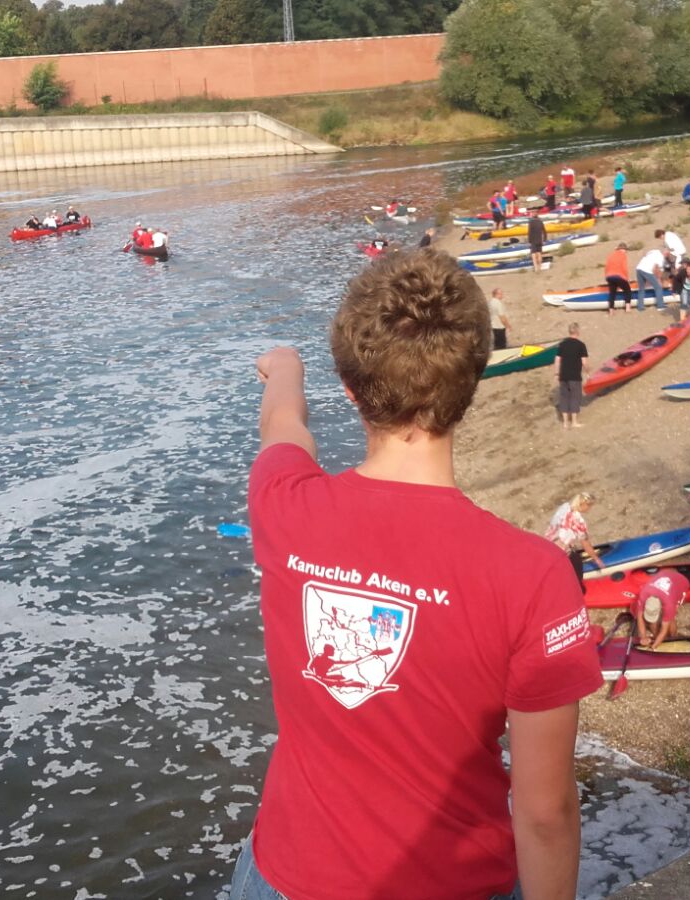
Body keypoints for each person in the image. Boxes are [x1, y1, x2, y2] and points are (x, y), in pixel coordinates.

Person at [237, 250, 601, 900]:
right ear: (472, 381)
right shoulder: (534, 576)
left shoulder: (281, 505)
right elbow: (546, 814)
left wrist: (285, 366)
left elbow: (282, 424)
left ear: (349, 387)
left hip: (285, 878)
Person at [546, 492, 605, 586]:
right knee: (577, 570)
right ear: (584, 505)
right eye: (589, 506)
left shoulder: (564, 507)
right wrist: (596, 559)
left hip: (549, 545)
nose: (589, 509)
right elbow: (585, 542)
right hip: (562, 551)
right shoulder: (578, 520)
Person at [635, 569, 687, 650]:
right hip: (663, 573)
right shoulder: (643, 594)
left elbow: (664, 629)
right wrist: (643, 637)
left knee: (670, 619)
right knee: (653, 622)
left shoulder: (669, 604)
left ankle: (674, 637)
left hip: (680, 582)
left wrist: (653, 648)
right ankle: (656, 635)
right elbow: (639, 617)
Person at [554, 323, 588, 429]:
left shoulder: (562, 344)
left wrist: (556, 373)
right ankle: (573, 422)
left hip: (563, 375)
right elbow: (584, 362)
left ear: (569, 331)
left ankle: (565, 423)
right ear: (578, 332)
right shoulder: (581, 345)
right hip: (574, 376)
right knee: (575, 397)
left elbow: (557, 360)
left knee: (564, 397)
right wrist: (588, 372)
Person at [669, 258, 690, 323]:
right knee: (684, 303)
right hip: (684, 289)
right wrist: (674, 291)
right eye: (687, 269)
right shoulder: (683, 272)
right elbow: (676, 280)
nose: (687, 271)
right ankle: (682, 319)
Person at [634, 246, 669, 311]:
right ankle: (660, 306)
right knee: (658, 287)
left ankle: (640, 307)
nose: (667, 255)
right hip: (647, 270)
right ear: (665, 253)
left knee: (641, 289)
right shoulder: (661, 258)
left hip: (639, 268)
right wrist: (659, 281)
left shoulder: (654, 250)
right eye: (667, 253)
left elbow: (645, 254)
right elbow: (657, 270)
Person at [604, 242, 634, 315]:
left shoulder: (611, 255)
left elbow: (607, 266)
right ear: (623, 249)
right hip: (618, 275)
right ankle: (628, 308)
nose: (626, 251)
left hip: (609, 275)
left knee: (612, 293)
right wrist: (626, 278)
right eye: (625, 250)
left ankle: (611, 311)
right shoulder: (623, 255)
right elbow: (624, 268)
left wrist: (607, 276)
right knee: (627, 290)